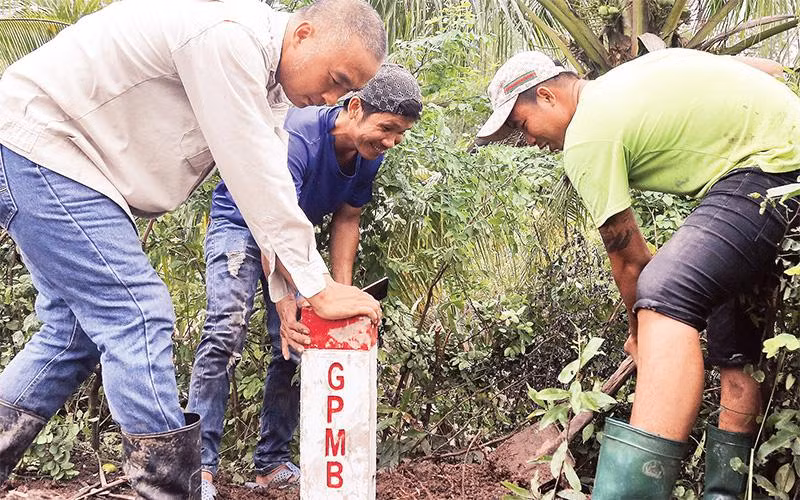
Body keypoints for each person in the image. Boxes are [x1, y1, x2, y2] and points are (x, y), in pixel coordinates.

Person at [0, 0, 385, 497]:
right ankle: (171, 491)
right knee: (137, 313)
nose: (332, 96)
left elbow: (269, 194)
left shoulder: (270, 85)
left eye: (347, 90)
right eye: (335, 78)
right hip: (40, 145)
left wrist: (292, 289)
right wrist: (321, 286)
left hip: (69, 165)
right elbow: (254, 174)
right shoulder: (229, 39)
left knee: (70, 337)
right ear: (304, 34)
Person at [477, 49, 798, 498]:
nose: (527, 140)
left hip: (770, 168)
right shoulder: (632, 76)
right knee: (730, 342)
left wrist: (640, 330)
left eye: (520, 124)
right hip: (768, 163)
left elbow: (629, 258)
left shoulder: (587, 134)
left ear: (547, 96)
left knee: (665, 291)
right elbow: (759, 68)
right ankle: (725, 491)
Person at [188, 63, 422, 497]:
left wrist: (339, 294)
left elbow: (347, 219)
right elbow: (270, 220)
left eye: (400, 134)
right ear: (355, 108)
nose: (391, 141)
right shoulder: (297, 137)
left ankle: (271, 463)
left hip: (292, 237)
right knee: (226, 329)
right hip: (241, 225)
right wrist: (288, 297)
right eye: (387, 127)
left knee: (299, 343)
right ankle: (197, 467)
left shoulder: (370, 153)